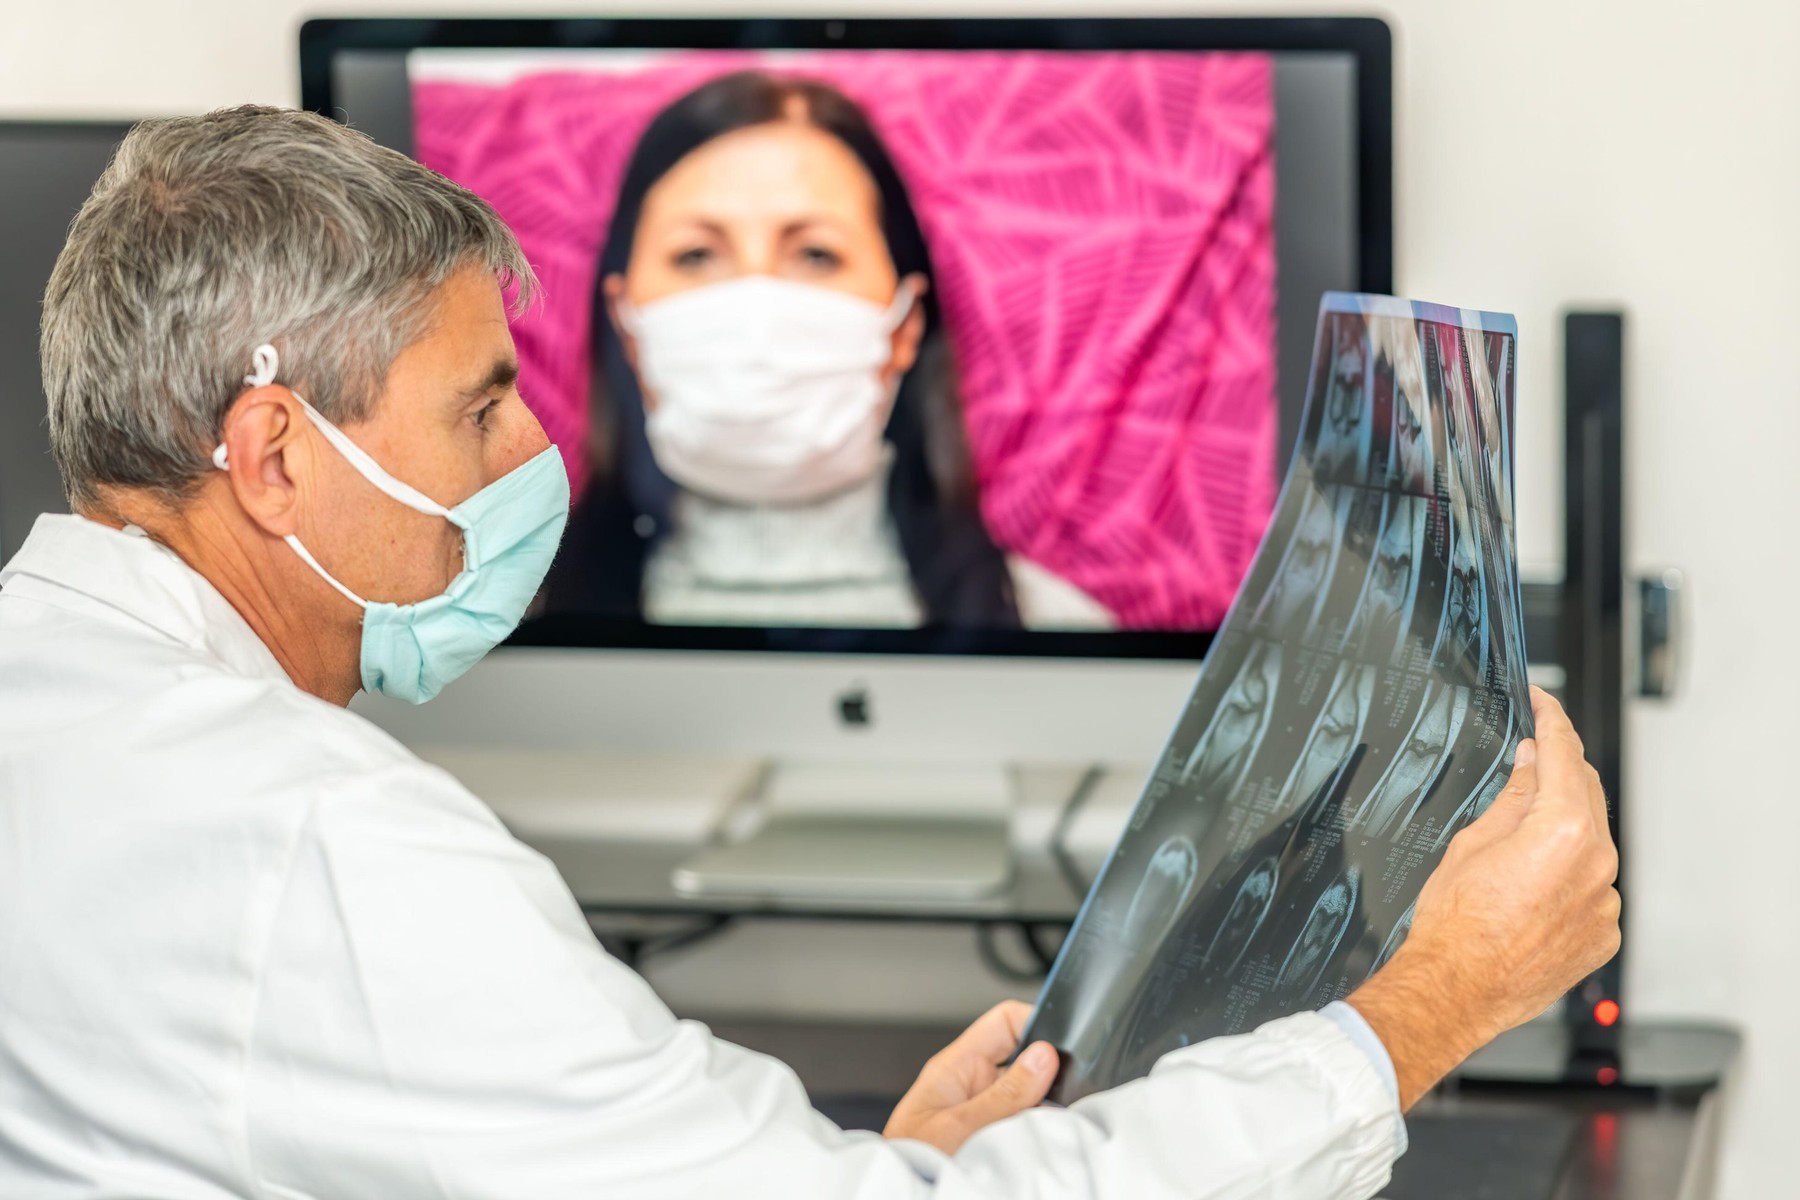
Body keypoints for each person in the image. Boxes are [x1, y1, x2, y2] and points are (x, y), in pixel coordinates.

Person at [0, 105, 1622, 1199]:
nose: (519, 460)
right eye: (479, 403)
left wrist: (896, 1162)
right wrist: (1429, 1005)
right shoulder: (333, 845)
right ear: (275, 456)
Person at [544, 70, 1112, 631]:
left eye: (816, 255)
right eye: (696, 255)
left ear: (904, 327)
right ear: (626, 323)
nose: (755, 305)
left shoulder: (1059, 635)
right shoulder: (497, 645)